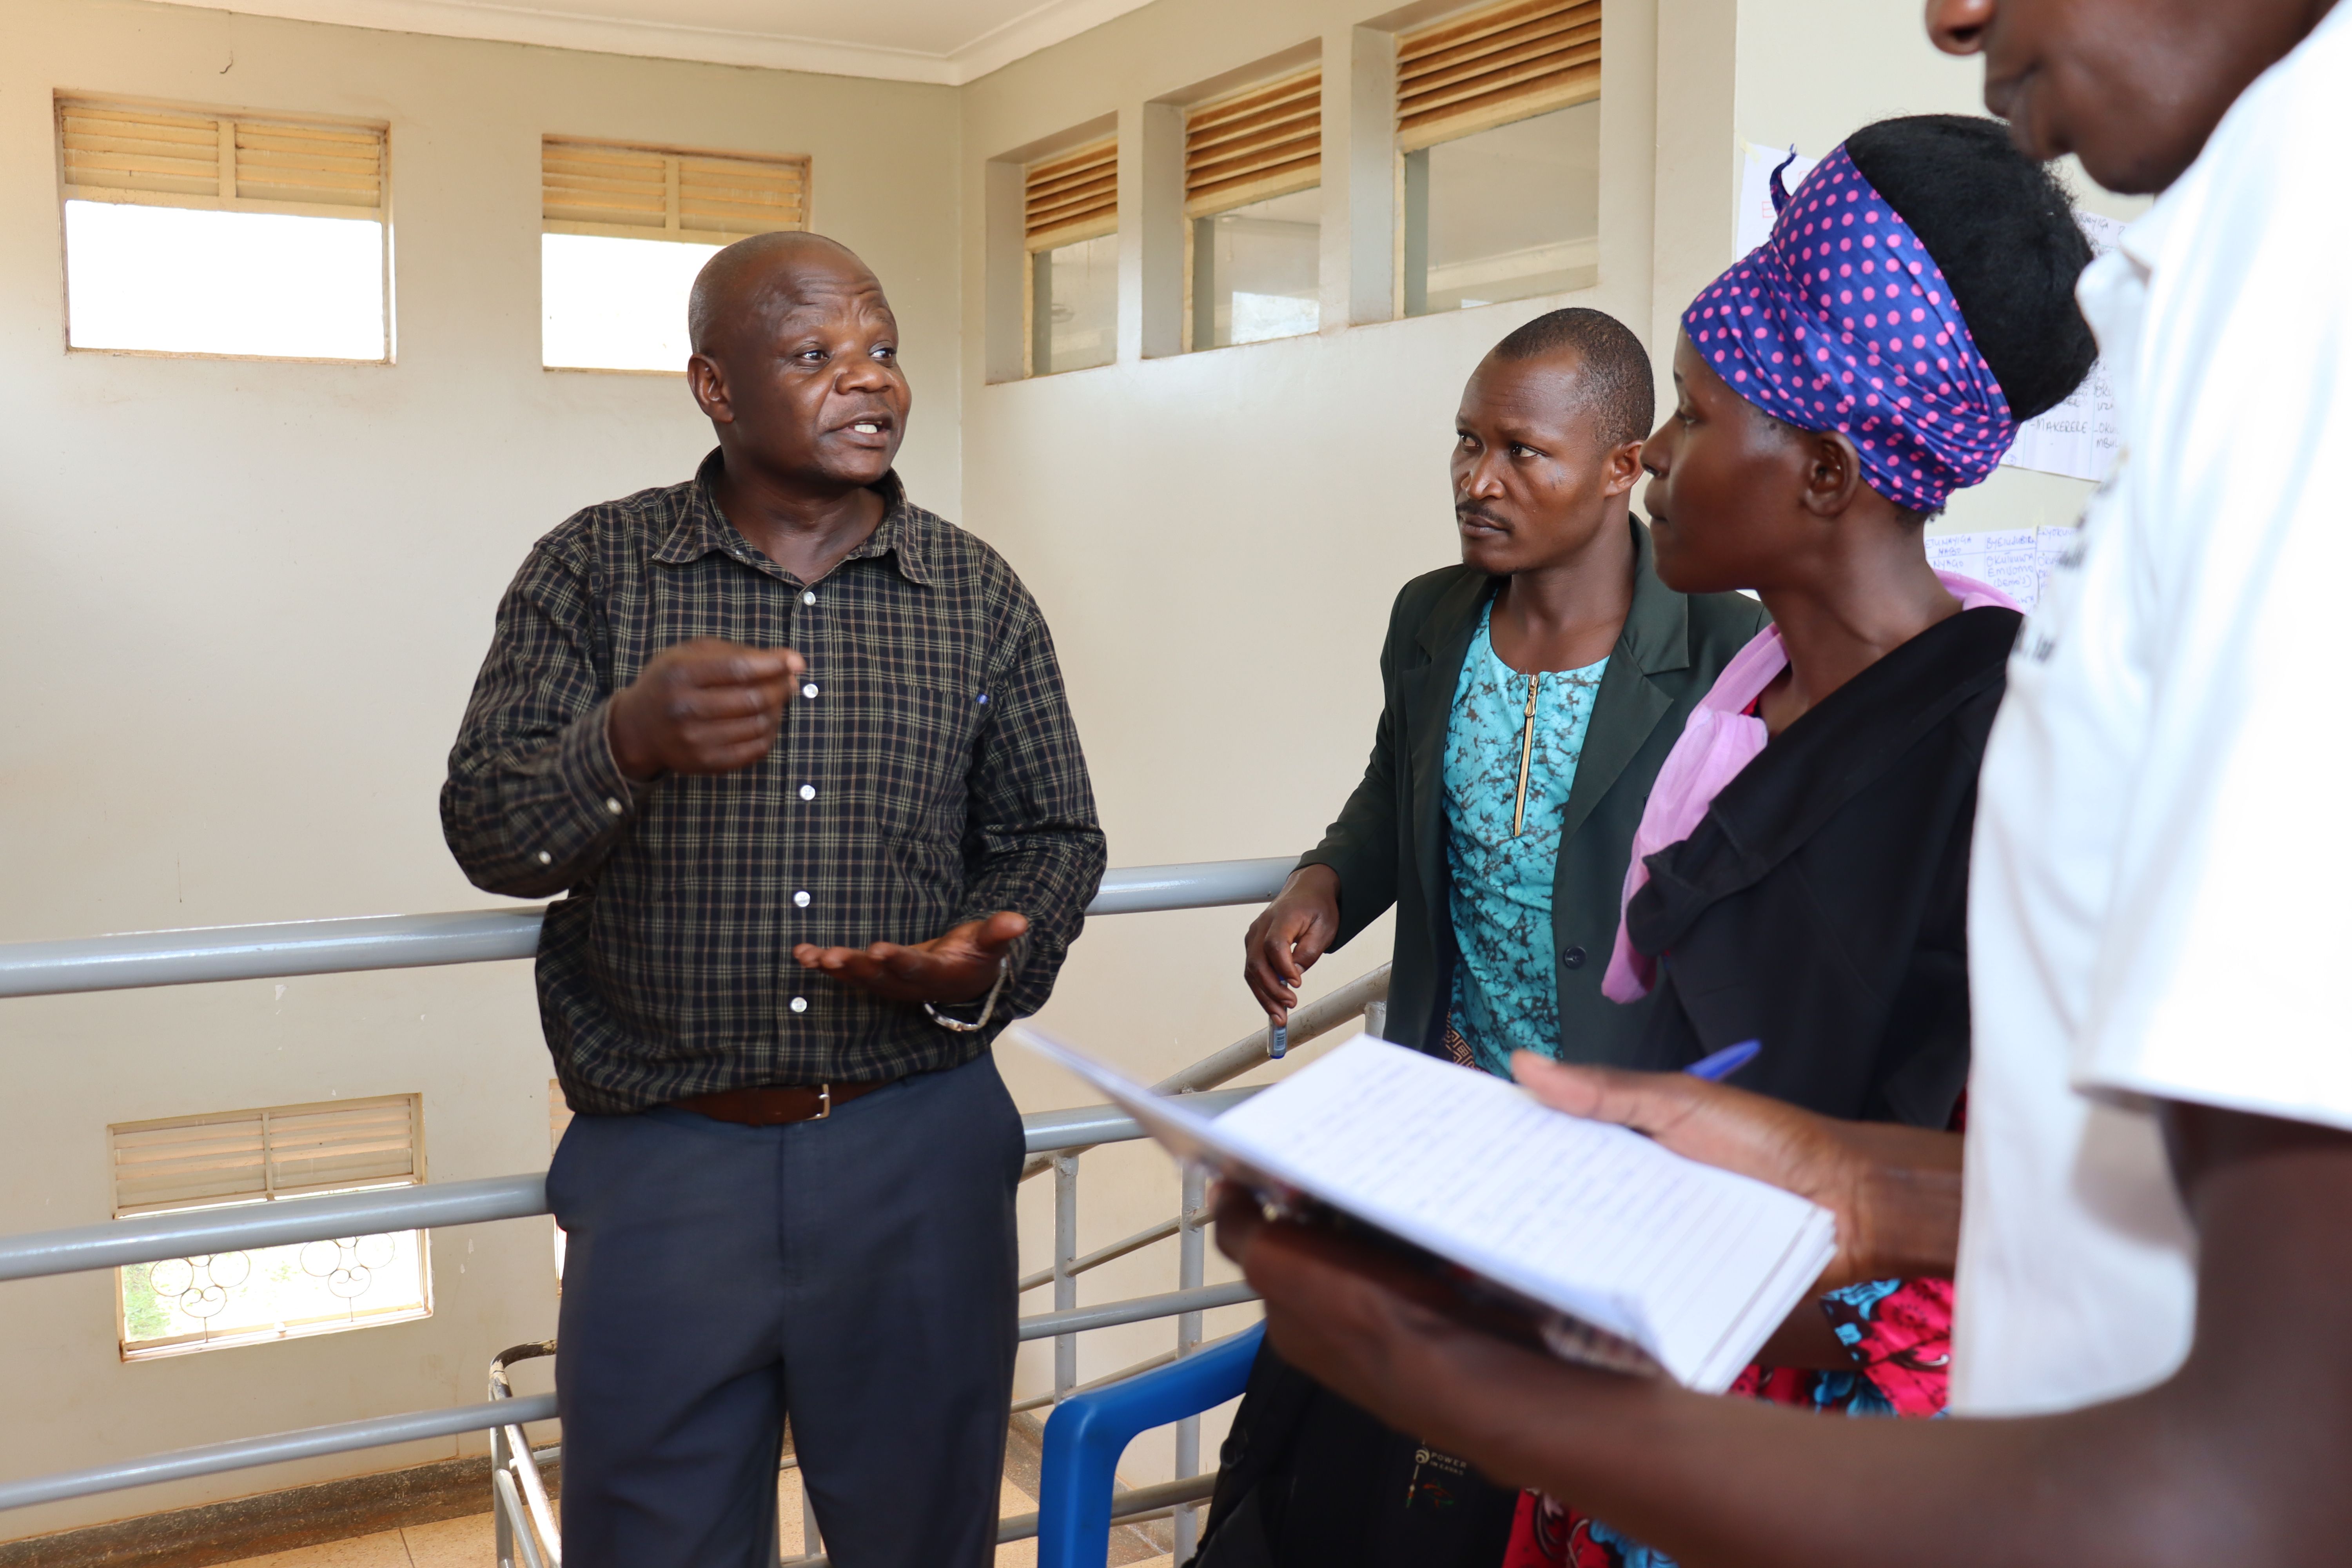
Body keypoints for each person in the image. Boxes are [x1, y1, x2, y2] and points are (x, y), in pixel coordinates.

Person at [1216, 1, 2352, 1563]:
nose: (1950, 14)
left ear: (1827, 472)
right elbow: (2055, 1192)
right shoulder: (1710, 688)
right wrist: (1826, 1187)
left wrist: (1495, 1379)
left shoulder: (2004, 699)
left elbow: (2218, 1422)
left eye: (1691, 416)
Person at [441, 231, 1105, 1568]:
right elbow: (491, 832)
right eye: (815, 354)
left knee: (923, 1541)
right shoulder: (594, 571)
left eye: (883, 349)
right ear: (716, 387)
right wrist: (626, 738)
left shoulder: (977, 594)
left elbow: (1051, 836)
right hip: (664, 1165)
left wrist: (983, 968)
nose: (869, 380)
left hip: (919, 1149)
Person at [1209, 309, 1768, 1568]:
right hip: (1450, 1126)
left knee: (1531, 1492)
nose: (1478, 480)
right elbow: (1391, 791)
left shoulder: (1723, 647)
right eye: (1467, 443)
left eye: (1524, 452)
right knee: (1369, 1480)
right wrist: (1323, 886)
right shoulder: (1433, 618)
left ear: (1622, 465)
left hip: (1622, 1159)